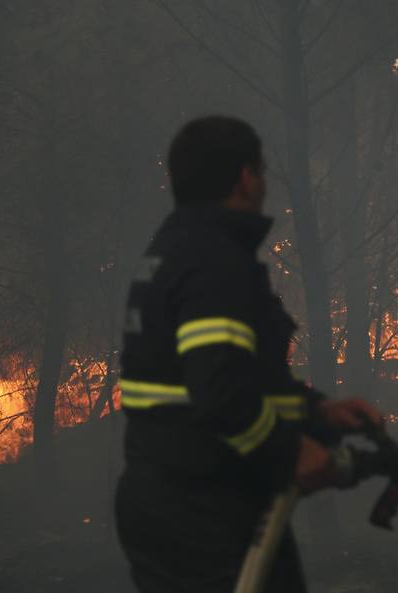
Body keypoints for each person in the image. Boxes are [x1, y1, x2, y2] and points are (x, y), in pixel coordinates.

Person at [115, 115, 382, 593]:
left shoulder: (175, 248)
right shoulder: (214, 259)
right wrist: (291, 452)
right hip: (204, 510)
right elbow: (220, 392)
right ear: (245, 177)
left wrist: (317, 413)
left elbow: (234, 377)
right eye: (261, 172)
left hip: (173, 500)